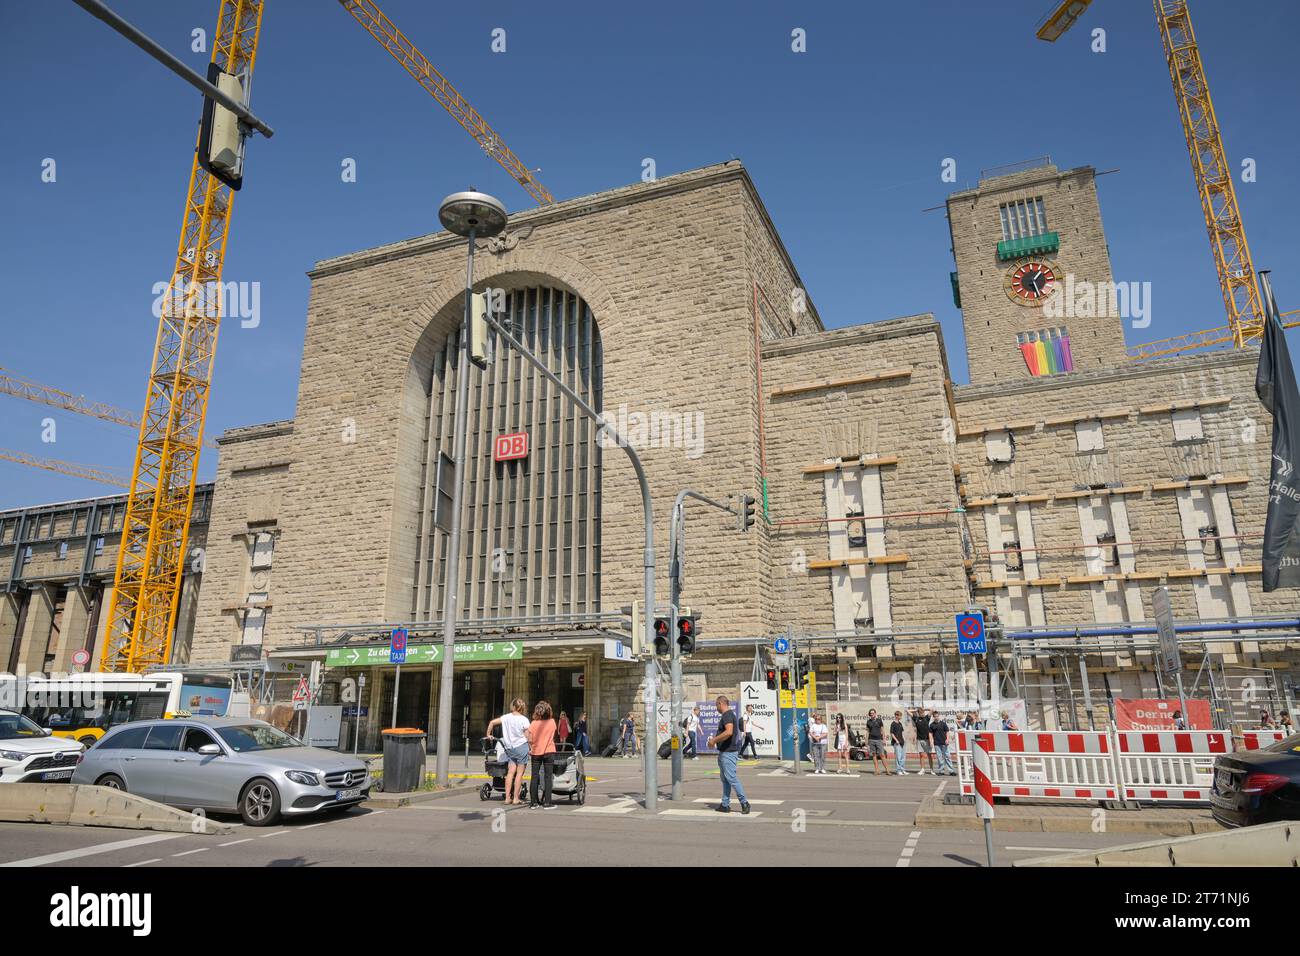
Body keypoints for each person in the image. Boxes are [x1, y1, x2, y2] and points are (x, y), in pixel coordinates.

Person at [706, 695, 750, 814]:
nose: (716, 708)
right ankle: (725, 805)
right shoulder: (729, 715)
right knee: (725, 779)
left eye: (716, 705)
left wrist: (714, 740)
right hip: (725, 752)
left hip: (728, 753)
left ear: (721, 703)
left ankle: (744, 802)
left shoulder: (727, 715)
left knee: (731, 778)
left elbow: (729, 732)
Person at [485, 698, 530, 806]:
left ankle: (507, 798)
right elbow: (527, 735)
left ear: (513, 706)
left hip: (510, 748)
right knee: (519, 774)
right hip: (521, 747)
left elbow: (492, 722)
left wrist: (488, 734)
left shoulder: (506, 717)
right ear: (522, 708)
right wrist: (531, 746)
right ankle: (516, 798)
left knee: (510, 773)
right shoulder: (524, 719)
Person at [527, 700, 558, 809]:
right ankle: (547, 802)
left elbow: (530, 740)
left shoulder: (533, 724)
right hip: (549, 751)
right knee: (548, 777)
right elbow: (553, 735)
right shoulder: (552, 722)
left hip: (535, 752)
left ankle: (533, 802)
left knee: (534, 776)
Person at [865, 708, 889, 775]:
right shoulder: (868, 722)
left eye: (873, 713)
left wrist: (884, 739)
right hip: (871, 740)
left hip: (879, 740)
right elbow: (867, 731)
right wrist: (866, 740)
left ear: (875, 713)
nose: (872, 714)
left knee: (882, 755)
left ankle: (887, 770)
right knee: (874, 755)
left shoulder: (879, 720)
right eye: (870, 714)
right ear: (869, 715)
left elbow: (882, 730)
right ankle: (877, 770)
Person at [911, 707, 934, 775]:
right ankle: (922, 769)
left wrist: (924, 709)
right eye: (921, 713)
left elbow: (932, 709)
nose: (923, 714)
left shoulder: (927, 718)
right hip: (919, 739)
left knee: (929, 755)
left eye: (923, 712)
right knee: (921, 755)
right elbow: (907, 711)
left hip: (927, 739)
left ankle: (931, 770)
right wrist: (916, 710)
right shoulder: (916, 718)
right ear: (918, 713)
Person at [890, 710, 908, 775]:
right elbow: (892, 733)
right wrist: (896, 740)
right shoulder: (893, 724)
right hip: (896, 743)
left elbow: (902, 732)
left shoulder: (900, 723)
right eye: (900, 715)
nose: (900, 717)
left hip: (902, 742)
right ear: (896, 716)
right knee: (898, 757)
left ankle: (903, 769)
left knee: (903, 757)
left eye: (901, 715)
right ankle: (898, 770)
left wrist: (904, 739)